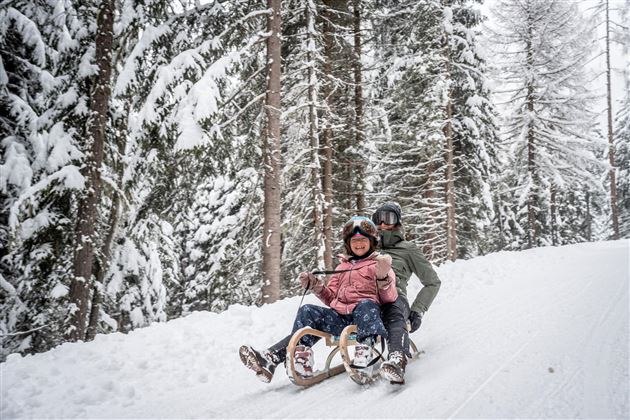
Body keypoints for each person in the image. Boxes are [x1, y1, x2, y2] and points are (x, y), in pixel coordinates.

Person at [239, 216, 398, 383]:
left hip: (366, 320)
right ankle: (296, 359)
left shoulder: (379, 264)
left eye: (363, 240)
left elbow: (390, 298)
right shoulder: (342, 267)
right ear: (348, 244)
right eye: (354, 241)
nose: (359, 244)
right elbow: (331, 299)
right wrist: (315, 286)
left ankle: (364, 353)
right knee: (307, 310)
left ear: (372, 241)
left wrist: (382, 277)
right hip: (341, 320)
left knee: (366, 304)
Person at [371, 201, 441, 384]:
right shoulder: (367, 248)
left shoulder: (408, 249)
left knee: (394, 311)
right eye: (379, 218)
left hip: (394, 297)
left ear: (398, 222)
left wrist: (417, 310)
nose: (383, 223)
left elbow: (432, 282)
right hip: (367, 298)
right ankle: (292, 352)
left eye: (389, 218)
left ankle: (397, 359)